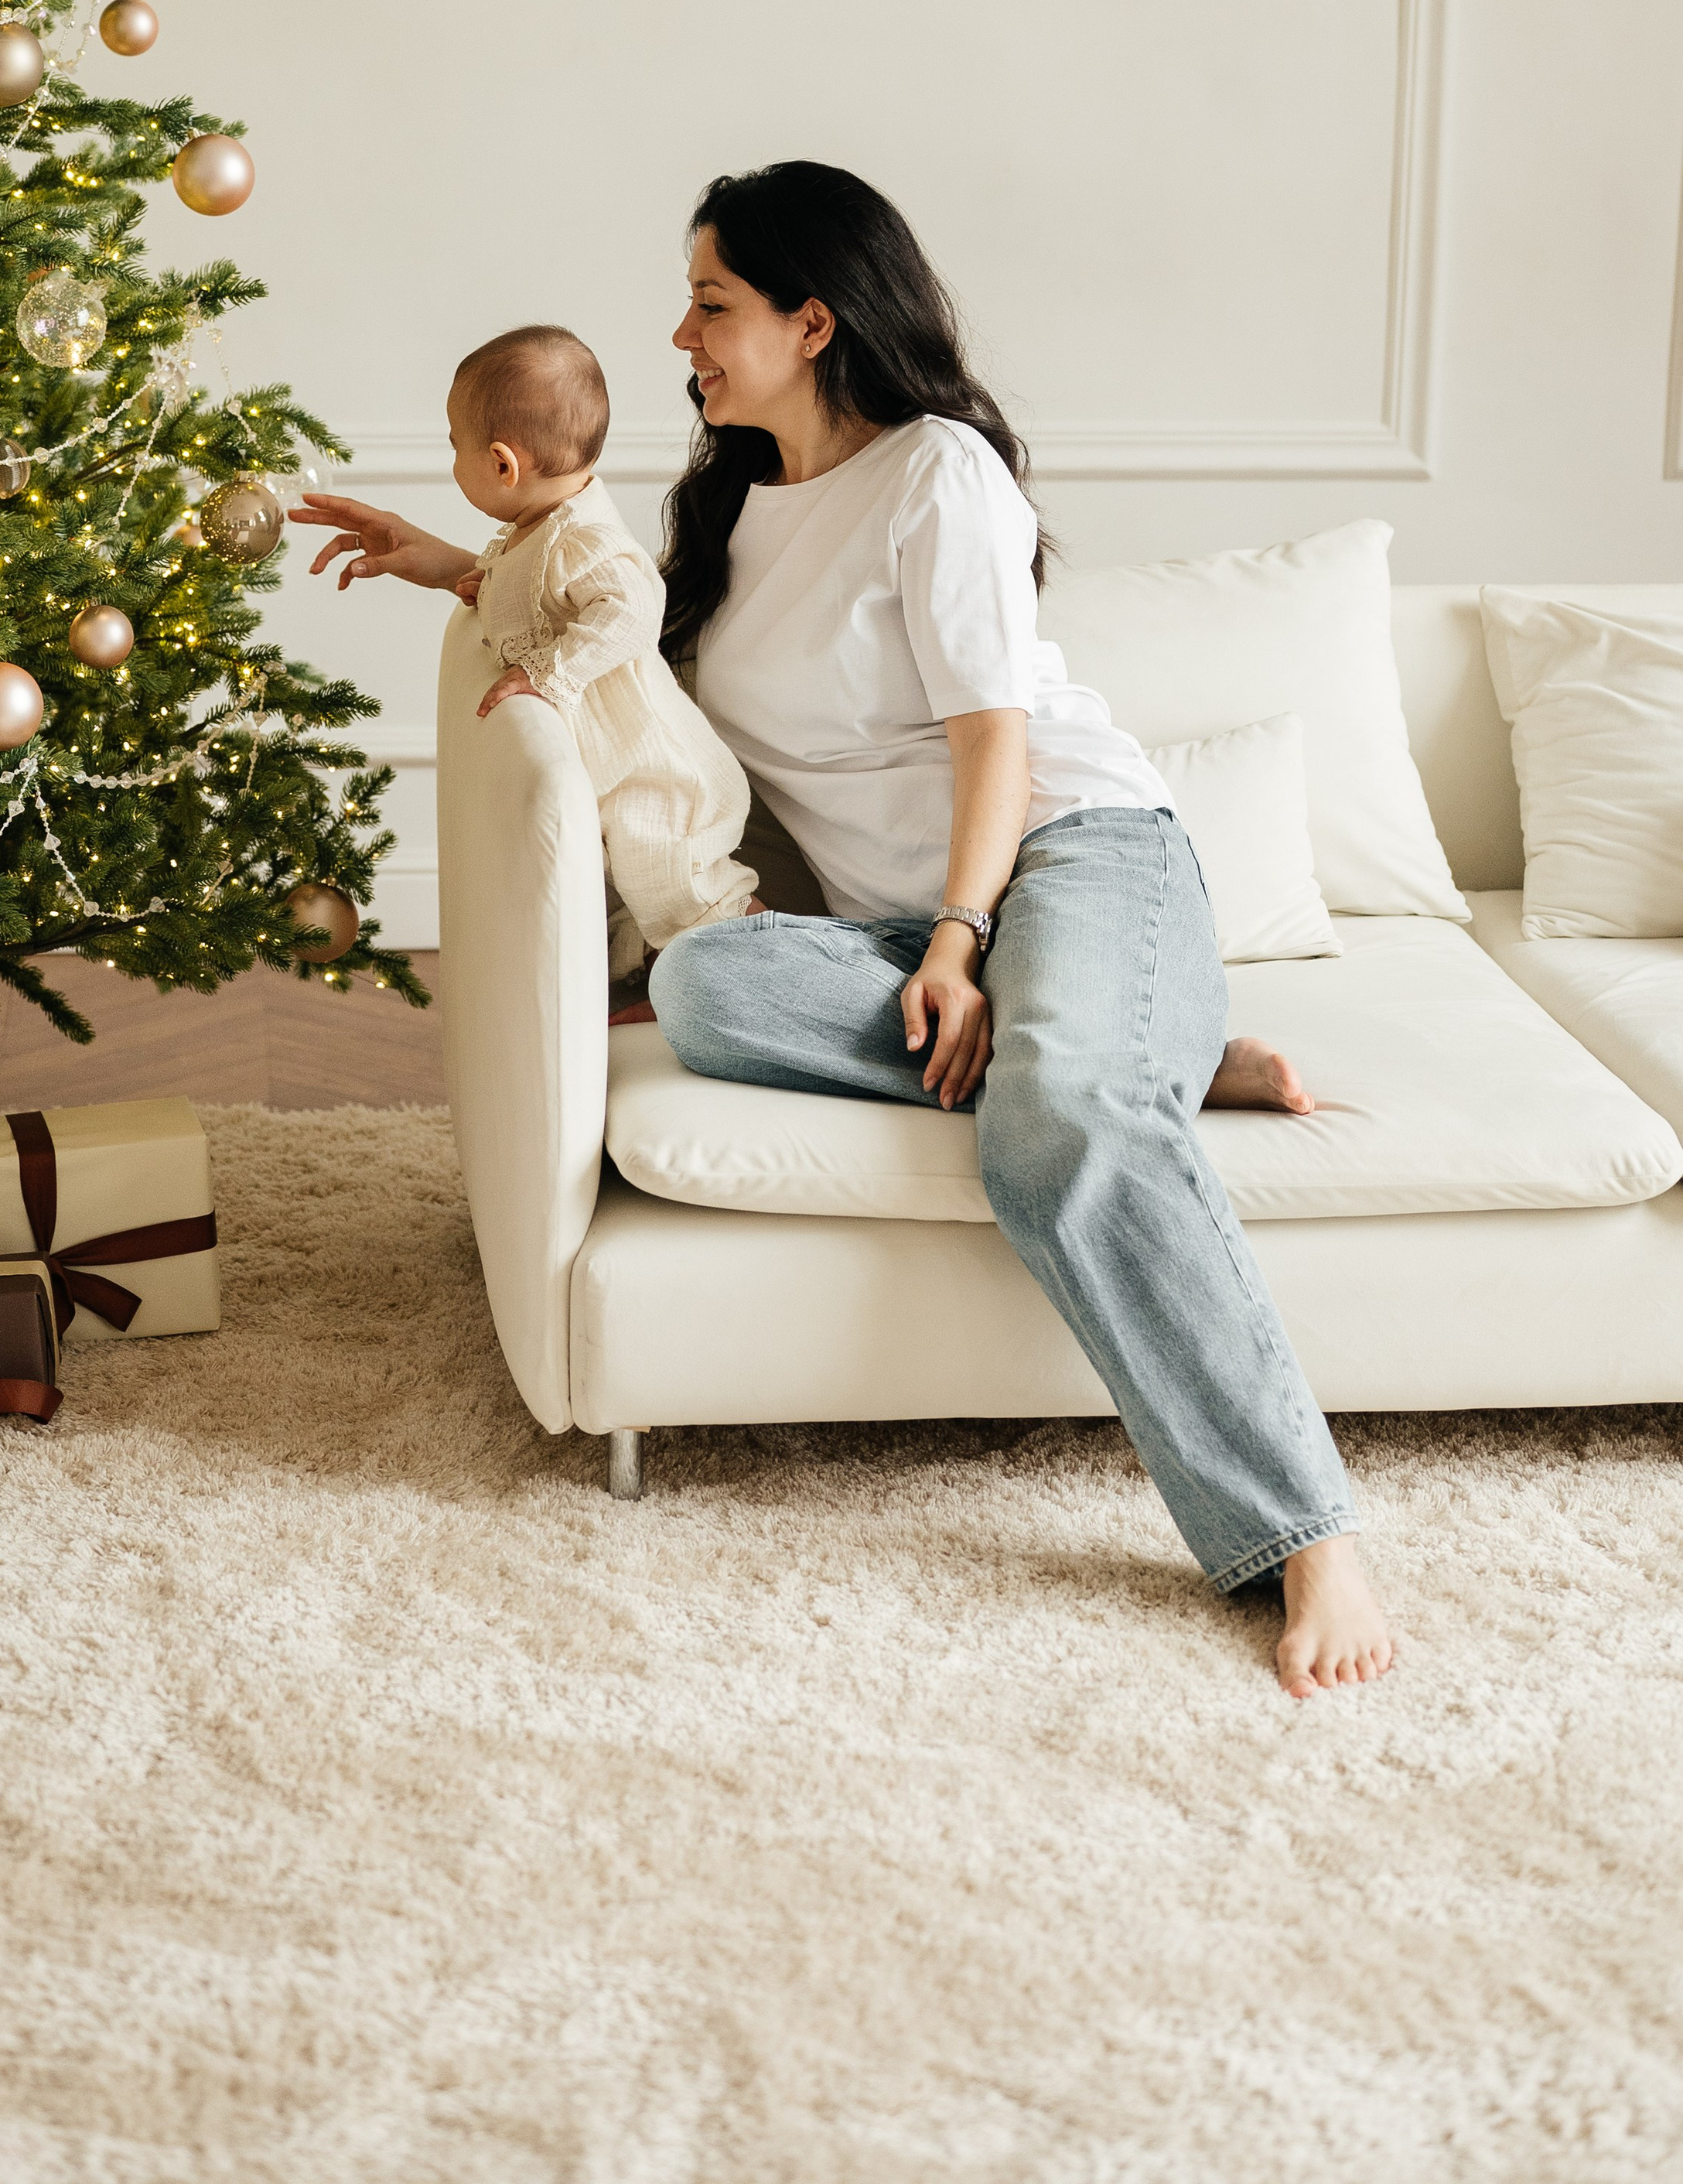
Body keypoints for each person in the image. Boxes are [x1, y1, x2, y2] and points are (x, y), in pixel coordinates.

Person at [644, 161, 1390, 1700]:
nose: (682, 334)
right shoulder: (729, 509)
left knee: (1054, 1117)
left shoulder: (933, 472)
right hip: (933, 924)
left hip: (1071, 855)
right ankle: (1144, 1048)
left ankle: (1305, 1530)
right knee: (705, 984)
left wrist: (959, 938)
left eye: (711, 304)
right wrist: (472, 573)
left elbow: (994, 739)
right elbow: (632, 673)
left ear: (811, 318)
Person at [293, 323, 757, 972]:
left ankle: (772, 958)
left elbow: (635, 604)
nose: (452, 461)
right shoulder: (534, 531)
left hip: (653, 773)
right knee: (637, 903)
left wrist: (549, 673)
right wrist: (420, 555)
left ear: (503, 464)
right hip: (616, 776)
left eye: (456, 447)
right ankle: (667, 986)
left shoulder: (581, 537)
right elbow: (510, 593)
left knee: (678, 891)